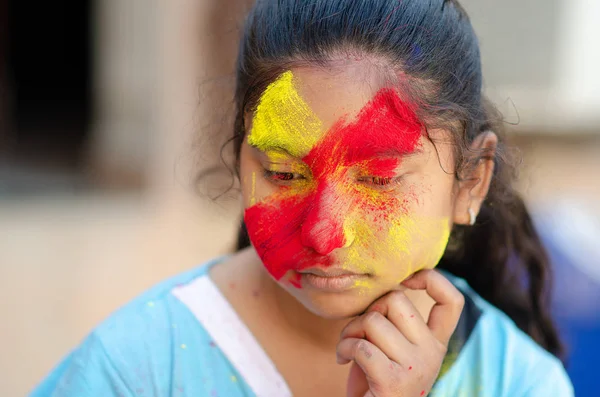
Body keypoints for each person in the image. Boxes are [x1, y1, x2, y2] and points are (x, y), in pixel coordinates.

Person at [32, 0, 574, 396]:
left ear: (471, 181)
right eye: (284, 175)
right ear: (240, 161)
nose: (322, 232)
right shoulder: (136, 367)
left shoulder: (519, 382)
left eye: (379, 180)